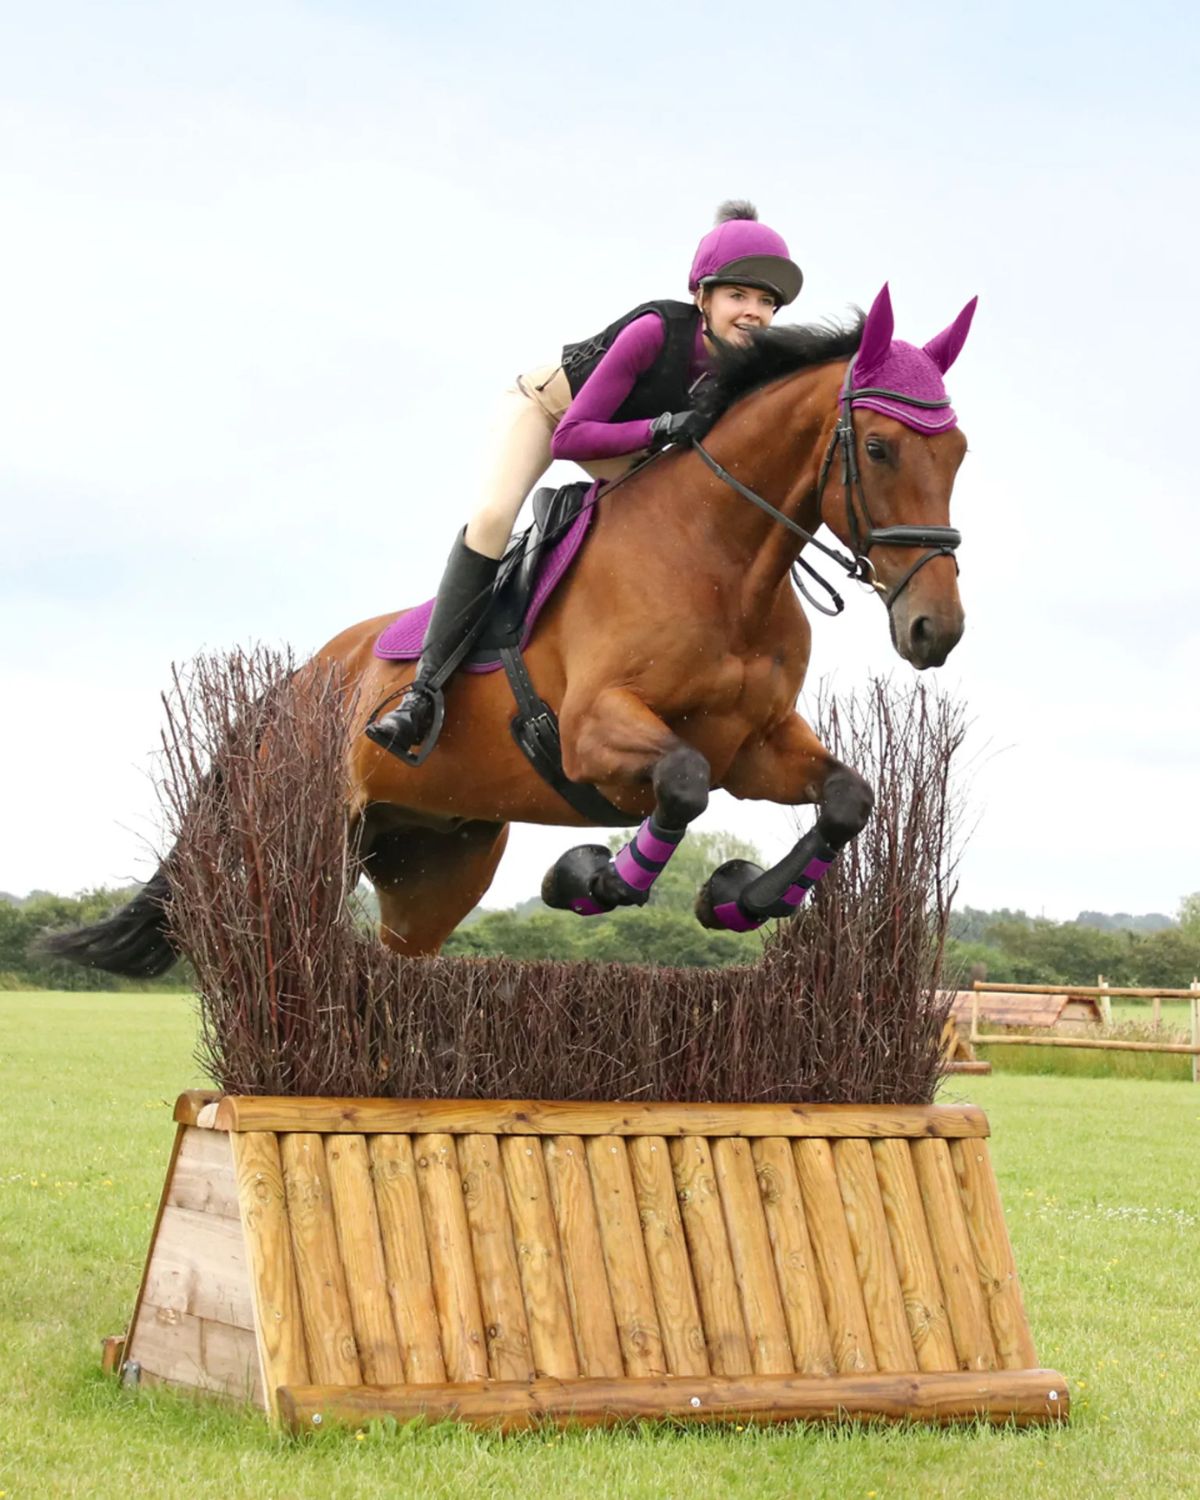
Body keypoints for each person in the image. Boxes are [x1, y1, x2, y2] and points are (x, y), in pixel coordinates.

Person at [366, 200, 803, 762]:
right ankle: (422, 695)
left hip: (630, 444)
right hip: (549, 412)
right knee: (495, 517)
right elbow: (569, 438)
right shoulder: (654, 331)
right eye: (738, 295)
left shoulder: (753, 371)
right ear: (703, 297)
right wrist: (664, 425)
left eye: (766, 302)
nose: (753, 313)